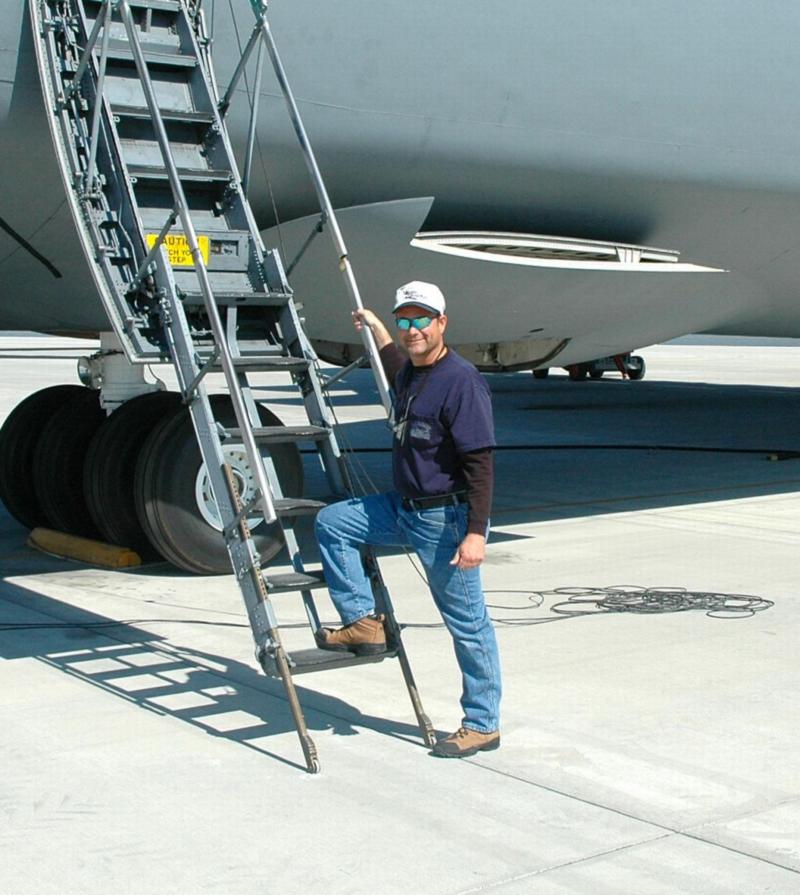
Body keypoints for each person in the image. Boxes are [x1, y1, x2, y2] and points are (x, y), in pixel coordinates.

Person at [314, 280, 502, 758]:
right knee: (334, 523)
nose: (412, 328)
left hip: (444, 522)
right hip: (403, 509)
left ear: (442, 322)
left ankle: (482, 723)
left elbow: (480, 464)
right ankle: (363, 620)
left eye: (422, 319)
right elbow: (394, 360)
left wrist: (477, 534)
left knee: (468, 625)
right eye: (405, 320)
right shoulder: (410, 373)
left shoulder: (461, 382)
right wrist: (377, 326)